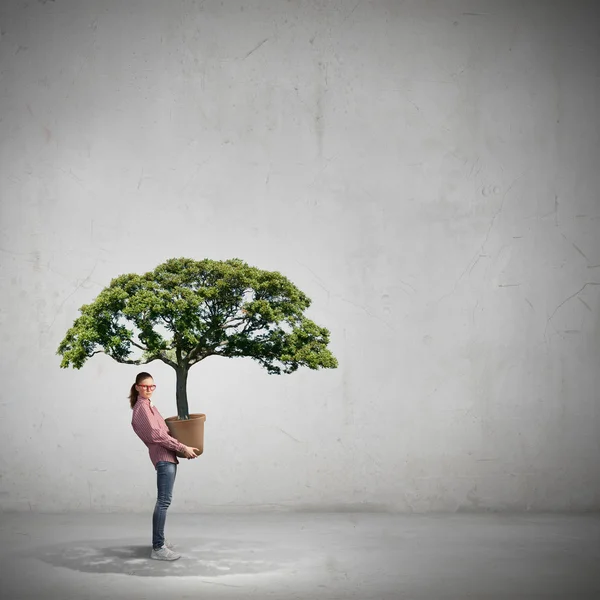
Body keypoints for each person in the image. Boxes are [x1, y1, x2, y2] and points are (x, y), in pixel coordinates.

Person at [130, 371, 199, 561]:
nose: (149, 389)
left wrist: (183, 443)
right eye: (145, 386)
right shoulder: (142, 408)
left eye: (152, 386)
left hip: (167, 456)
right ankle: (158, 547)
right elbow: (156, 436)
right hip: (163, 458)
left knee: (164, 501)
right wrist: (182, 446)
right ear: (137, 387)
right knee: (163, 502)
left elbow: (165, 430)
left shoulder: (150, 406)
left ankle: (159, 542)